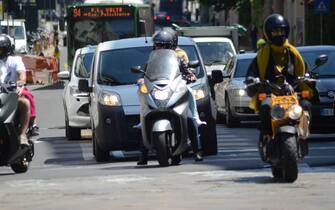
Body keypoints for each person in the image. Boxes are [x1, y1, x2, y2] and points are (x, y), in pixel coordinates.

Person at [137, 29, 205, 165]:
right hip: (157, 91)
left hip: (173, 90)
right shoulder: (151, 60)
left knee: (190, 117)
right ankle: (143, 155)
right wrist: (140, 79)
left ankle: (197, 150)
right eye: (158, 45)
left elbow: (186, 71)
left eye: (164, 45)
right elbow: (144, 74)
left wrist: (190, 76)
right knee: (144, 118)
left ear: (172, 46)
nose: (160, 48)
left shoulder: (178, 58)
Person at [245, 14, 312, 145]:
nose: (278, 34)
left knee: (306, 105)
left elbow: (305, 71)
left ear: (286, 31)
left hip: (292, 92)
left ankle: (303, 133)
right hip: (271, 93)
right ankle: (267, 137)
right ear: (269, 34)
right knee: (264, 106)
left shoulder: (294, 53)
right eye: (275, 31)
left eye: (281, 31)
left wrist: (309, 78)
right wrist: (252, 79)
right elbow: (252, 73)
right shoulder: (261, 55)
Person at [0, 34, 31, 151]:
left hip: (11, 95)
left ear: (6, 49)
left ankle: (22, 135)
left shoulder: (15, 60)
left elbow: (21, 74)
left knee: (25, 103)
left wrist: (20, 84)